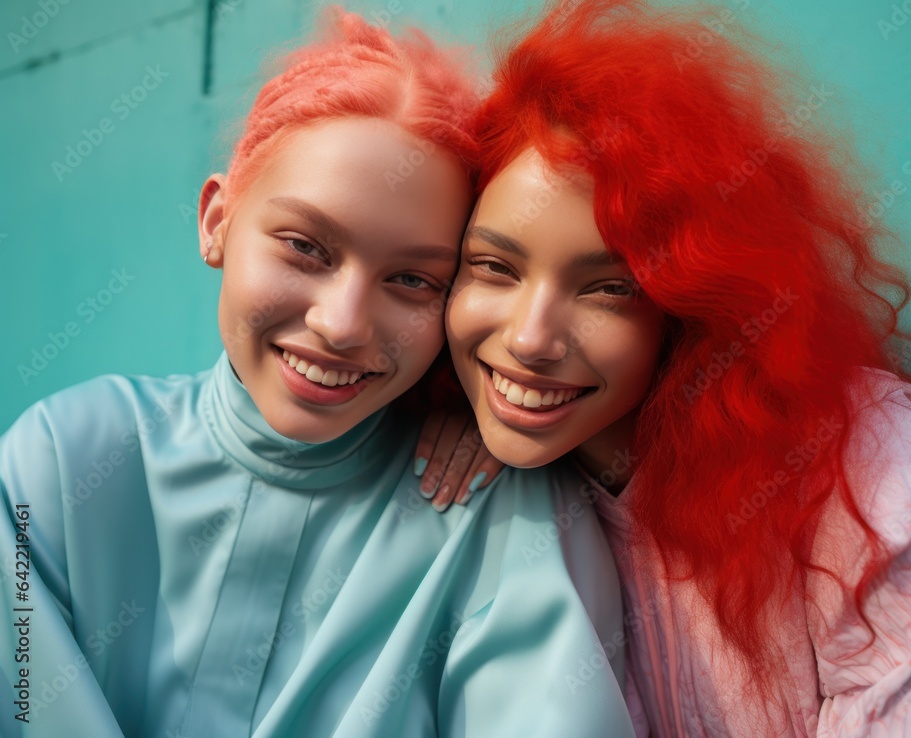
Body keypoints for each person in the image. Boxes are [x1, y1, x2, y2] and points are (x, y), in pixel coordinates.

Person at [0, 9, 636, 737]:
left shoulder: (501, 518)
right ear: (216, 220)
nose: (342, 324)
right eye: (305, 247)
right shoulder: (61, 460)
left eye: (412, 280)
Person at [420, 0, 911, 734]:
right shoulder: (468, 476)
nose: (530, 339)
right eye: (493, 267)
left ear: (692, 302)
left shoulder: (869, 482)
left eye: (609, 287)